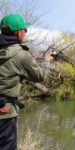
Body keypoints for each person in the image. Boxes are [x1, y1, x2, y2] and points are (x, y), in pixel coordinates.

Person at [0, 14, 53, 150]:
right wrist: (46, 62)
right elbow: (39, 76)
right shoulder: (22, 55)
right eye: (25, 30)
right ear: (18, 32)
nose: (25, 33)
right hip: (5, 114)